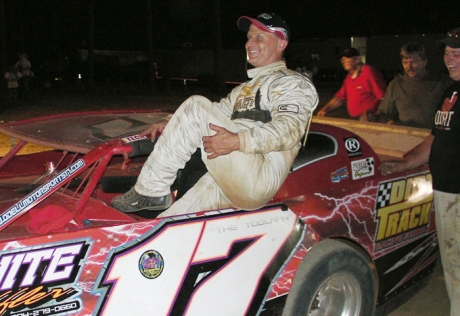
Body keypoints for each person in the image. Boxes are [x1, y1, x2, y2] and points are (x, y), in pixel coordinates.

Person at [112, 13, 318, 217]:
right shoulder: (243, 90)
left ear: (281, 43)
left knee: (196, 104)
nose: (250, 43)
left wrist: (238, 141)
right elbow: (215, 112)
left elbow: (289, 129)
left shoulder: (291, 82)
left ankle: (150, 190)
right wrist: (170, 122)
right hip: (231, 172)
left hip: (259, 173)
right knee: (170, 224)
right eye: (248, 37)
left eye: (259, 37)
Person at [379, 27, 460, 316]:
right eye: (448, 53)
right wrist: (405, 163)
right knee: (452, 261)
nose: (450, 59)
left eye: (458, 53)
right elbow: (435, 138)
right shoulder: (451, 91)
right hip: (445, 189)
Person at [377, 42, 452, 128]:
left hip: (435, 137)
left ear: (425, 62)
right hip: (407, 138)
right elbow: (385, 113)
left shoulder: (443, 82)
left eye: (414, 62)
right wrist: (373, 117)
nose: (409, 67)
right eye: (405, 62)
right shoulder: (397, 85)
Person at [317, 47, 387, 121]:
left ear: (357, 59)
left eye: (347, 58)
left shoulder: (369, 72)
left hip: (370, 119)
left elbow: (383, 97)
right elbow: (339, 99)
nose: (344, 61)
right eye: (342, 59)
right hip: (355, 119)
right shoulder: (349, 78)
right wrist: (325, 110)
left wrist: (377, 116)